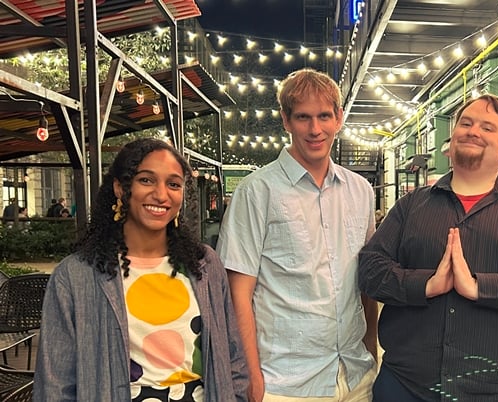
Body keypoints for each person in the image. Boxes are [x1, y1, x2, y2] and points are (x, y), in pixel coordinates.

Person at [358, 94, 498, 401]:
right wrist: (426, 284)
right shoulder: (411, 206)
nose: (473, 131)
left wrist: (479, 287)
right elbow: (370, 270)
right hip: (409, 385)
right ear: (452, 137)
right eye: (466, 123)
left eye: (487, 127)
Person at [34, 138, 249, 401]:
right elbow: (55, 384)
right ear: (120, 188)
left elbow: (233, 355)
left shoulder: (204, 264)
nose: (161, 194)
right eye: (146, 180)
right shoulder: (77, 275)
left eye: (173, 184)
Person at [215, 68, 378, 402]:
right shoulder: (257, 191)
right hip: (285, 383)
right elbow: (238, 293)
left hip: (354, 375)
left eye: (323, 116)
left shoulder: (361, 191)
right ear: (286, 121)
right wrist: (252, 376)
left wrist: (371, 351)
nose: (315, 129)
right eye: (303, 117)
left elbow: (367, 279)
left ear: (339, 118)